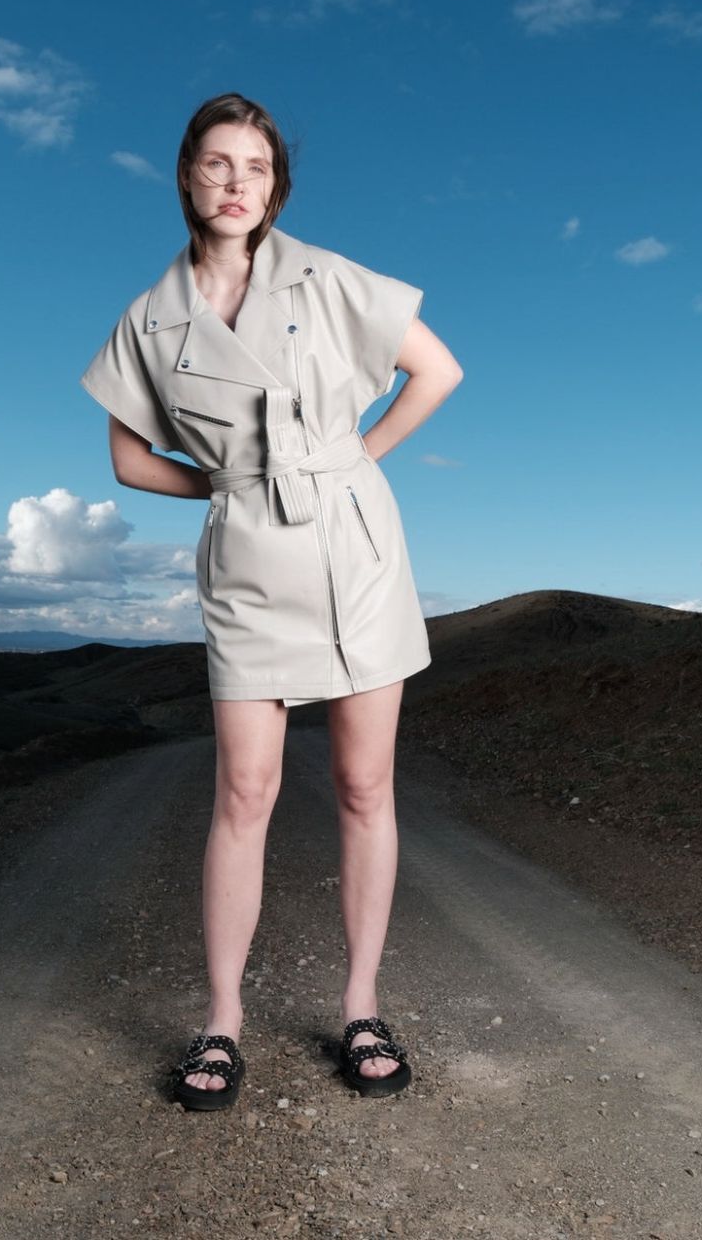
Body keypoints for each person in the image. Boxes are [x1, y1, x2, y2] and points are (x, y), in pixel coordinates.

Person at [80, 92, 463, 1110]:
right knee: (243, 793)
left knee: (363, 785)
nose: (236, 182)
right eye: (217, 163)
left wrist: (356, 460)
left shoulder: (325, 275)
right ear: (187, 176)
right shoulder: (150, 318)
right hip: (249, 558)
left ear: (275, 185)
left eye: (255, 165)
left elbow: (436, 370)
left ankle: (362, 1005)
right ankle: (221, 1020)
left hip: (354, 550)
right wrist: (231, 486)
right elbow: (128, 460)